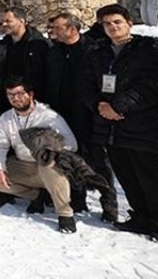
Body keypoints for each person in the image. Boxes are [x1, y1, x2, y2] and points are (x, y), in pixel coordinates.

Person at [87, 4, 158, 243]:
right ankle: (140, 216)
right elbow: (86, 84)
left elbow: (150, 87)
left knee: (149, 176)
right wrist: (99, 105)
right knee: (126, 174)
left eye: (117, 22)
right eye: (107, 24)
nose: (112, 27)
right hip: (110, 127)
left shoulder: (149, 53)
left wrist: (118, 107)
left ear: (129, 23)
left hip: (141, 125)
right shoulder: (99, 54)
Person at [0, 78, 79, 234]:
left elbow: (72, 144)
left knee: (50, 164)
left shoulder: (49, 116)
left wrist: (48, 147)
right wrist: (0, 169)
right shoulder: (6, 118)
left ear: (30, 94)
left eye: (20, 93)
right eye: (11, 95)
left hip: (47, 166)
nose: (15, 98)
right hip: (23, 164)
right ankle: (37, 195)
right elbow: (0, 146)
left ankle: (65, 214)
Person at [46, 12, 113, 219]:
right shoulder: (54, 51)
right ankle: (78, 199)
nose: (53, 31)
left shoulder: (93, 50)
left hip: (90, 113)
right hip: (63, 114)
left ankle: (109, 205)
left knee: (98, 161)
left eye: (57, 27)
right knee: (69, 157)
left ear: (72, 29)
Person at [0, 8, 50, 92]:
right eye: (2, 22)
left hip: (33, 94)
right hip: (10, 95)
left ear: (21, 21)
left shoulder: (40, 44)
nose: (4, 24)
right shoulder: (4, 45)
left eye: (8, 21)